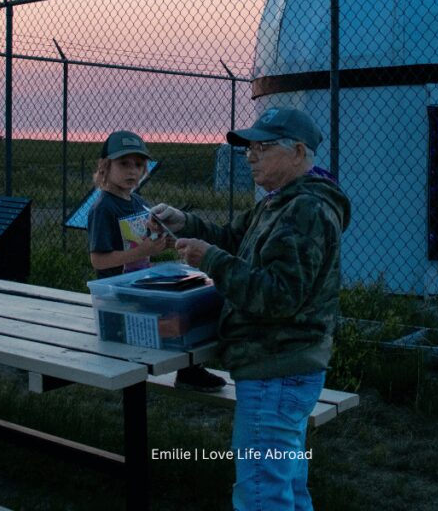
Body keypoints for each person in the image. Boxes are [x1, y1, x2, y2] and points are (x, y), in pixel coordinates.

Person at [151, 106, 350, 511]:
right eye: (248, 148)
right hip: (283, 365)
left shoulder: (305, 211)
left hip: (277, 366)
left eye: (262, 147)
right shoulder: (280, 203)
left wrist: (211, 260)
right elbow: (232, 237)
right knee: (286, 486)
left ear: (297, 152)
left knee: (261, 493)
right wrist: (186, 222)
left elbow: (278, 297)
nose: (250, 156)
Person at [88, 130, 226, 393]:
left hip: (141, 283)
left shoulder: (137, 202)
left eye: (138, 165)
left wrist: (167, 241)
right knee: (177, 314)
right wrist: (142, 252)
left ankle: (190, 367)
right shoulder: (104, 207)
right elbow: (99, 260)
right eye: (124, 164)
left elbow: (145, 241)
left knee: (196, 296)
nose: (132, 171)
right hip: (117, 295)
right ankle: (187, 370)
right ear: (105, 166)